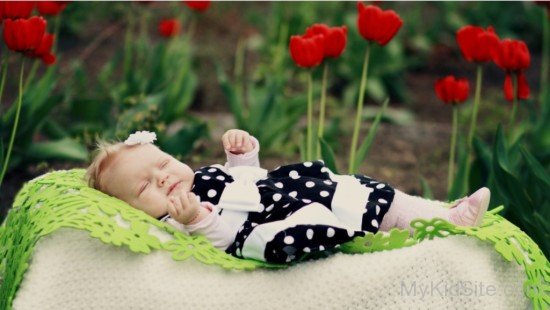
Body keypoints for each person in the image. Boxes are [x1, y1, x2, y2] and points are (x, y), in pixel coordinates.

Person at [86, 129, 490, 264]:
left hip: (290, 189)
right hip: (276, 221)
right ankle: (425, 227)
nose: (163, 180)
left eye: (163, 164)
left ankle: (442, 215)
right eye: (144, 187)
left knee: (366, 191)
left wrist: (241, 156)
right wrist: (197, 221)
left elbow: (247, 182)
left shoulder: (204, 177)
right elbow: (225, 240)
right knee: (330, 217)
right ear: (133, 210)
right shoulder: (177, 217)